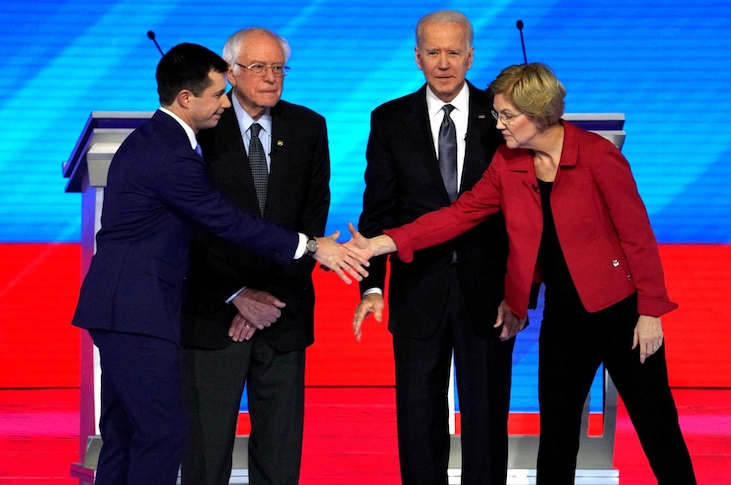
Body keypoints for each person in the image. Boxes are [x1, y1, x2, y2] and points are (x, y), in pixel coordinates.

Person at [348, 63, 697, 484]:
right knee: (557, 436)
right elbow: (459, 216)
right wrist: (382, 242)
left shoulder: (597, 157)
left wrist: (651, 311)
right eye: (496, 114)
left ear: (540, 113)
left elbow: (638, 236)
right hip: (565, 317)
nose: (498, 125)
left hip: (620, 314)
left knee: (655, 424)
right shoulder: (508, 162)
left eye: (507, 116)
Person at [70, 42, 367, 485]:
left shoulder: (162, 141)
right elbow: (225, 221)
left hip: (123, 308)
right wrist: (311, 247)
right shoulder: (172, 153)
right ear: (186, 97)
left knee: (126, 432)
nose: (224, 102)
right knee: (162, 433)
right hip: (138, 310)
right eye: (217, 93)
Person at [351, 10, 513, 485]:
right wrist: (372, 288)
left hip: (490, 294)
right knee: (418, 417)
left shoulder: (501, 115)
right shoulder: (389, 118)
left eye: (454, 52)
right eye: (434, 52)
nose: (444, 63)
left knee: (486, 416)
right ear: (417, 56)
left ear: (471, 55)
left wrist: (522, 292)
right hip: (417, 289)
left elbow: (525, 215)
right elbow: (377, 208)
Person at [180, 28, 330, 485]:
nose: (270, 78)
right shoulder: (203, 127)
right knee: (205, 456)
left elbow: (312, 220)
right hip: (214, 313)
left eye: (278, 68)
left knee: (281, 458)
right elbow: (191, 224)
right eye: (258, 67)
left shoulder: (308, 126)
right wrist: (238, 294)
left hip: (283, 313)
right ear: (231, 73)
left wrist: (269, 298)